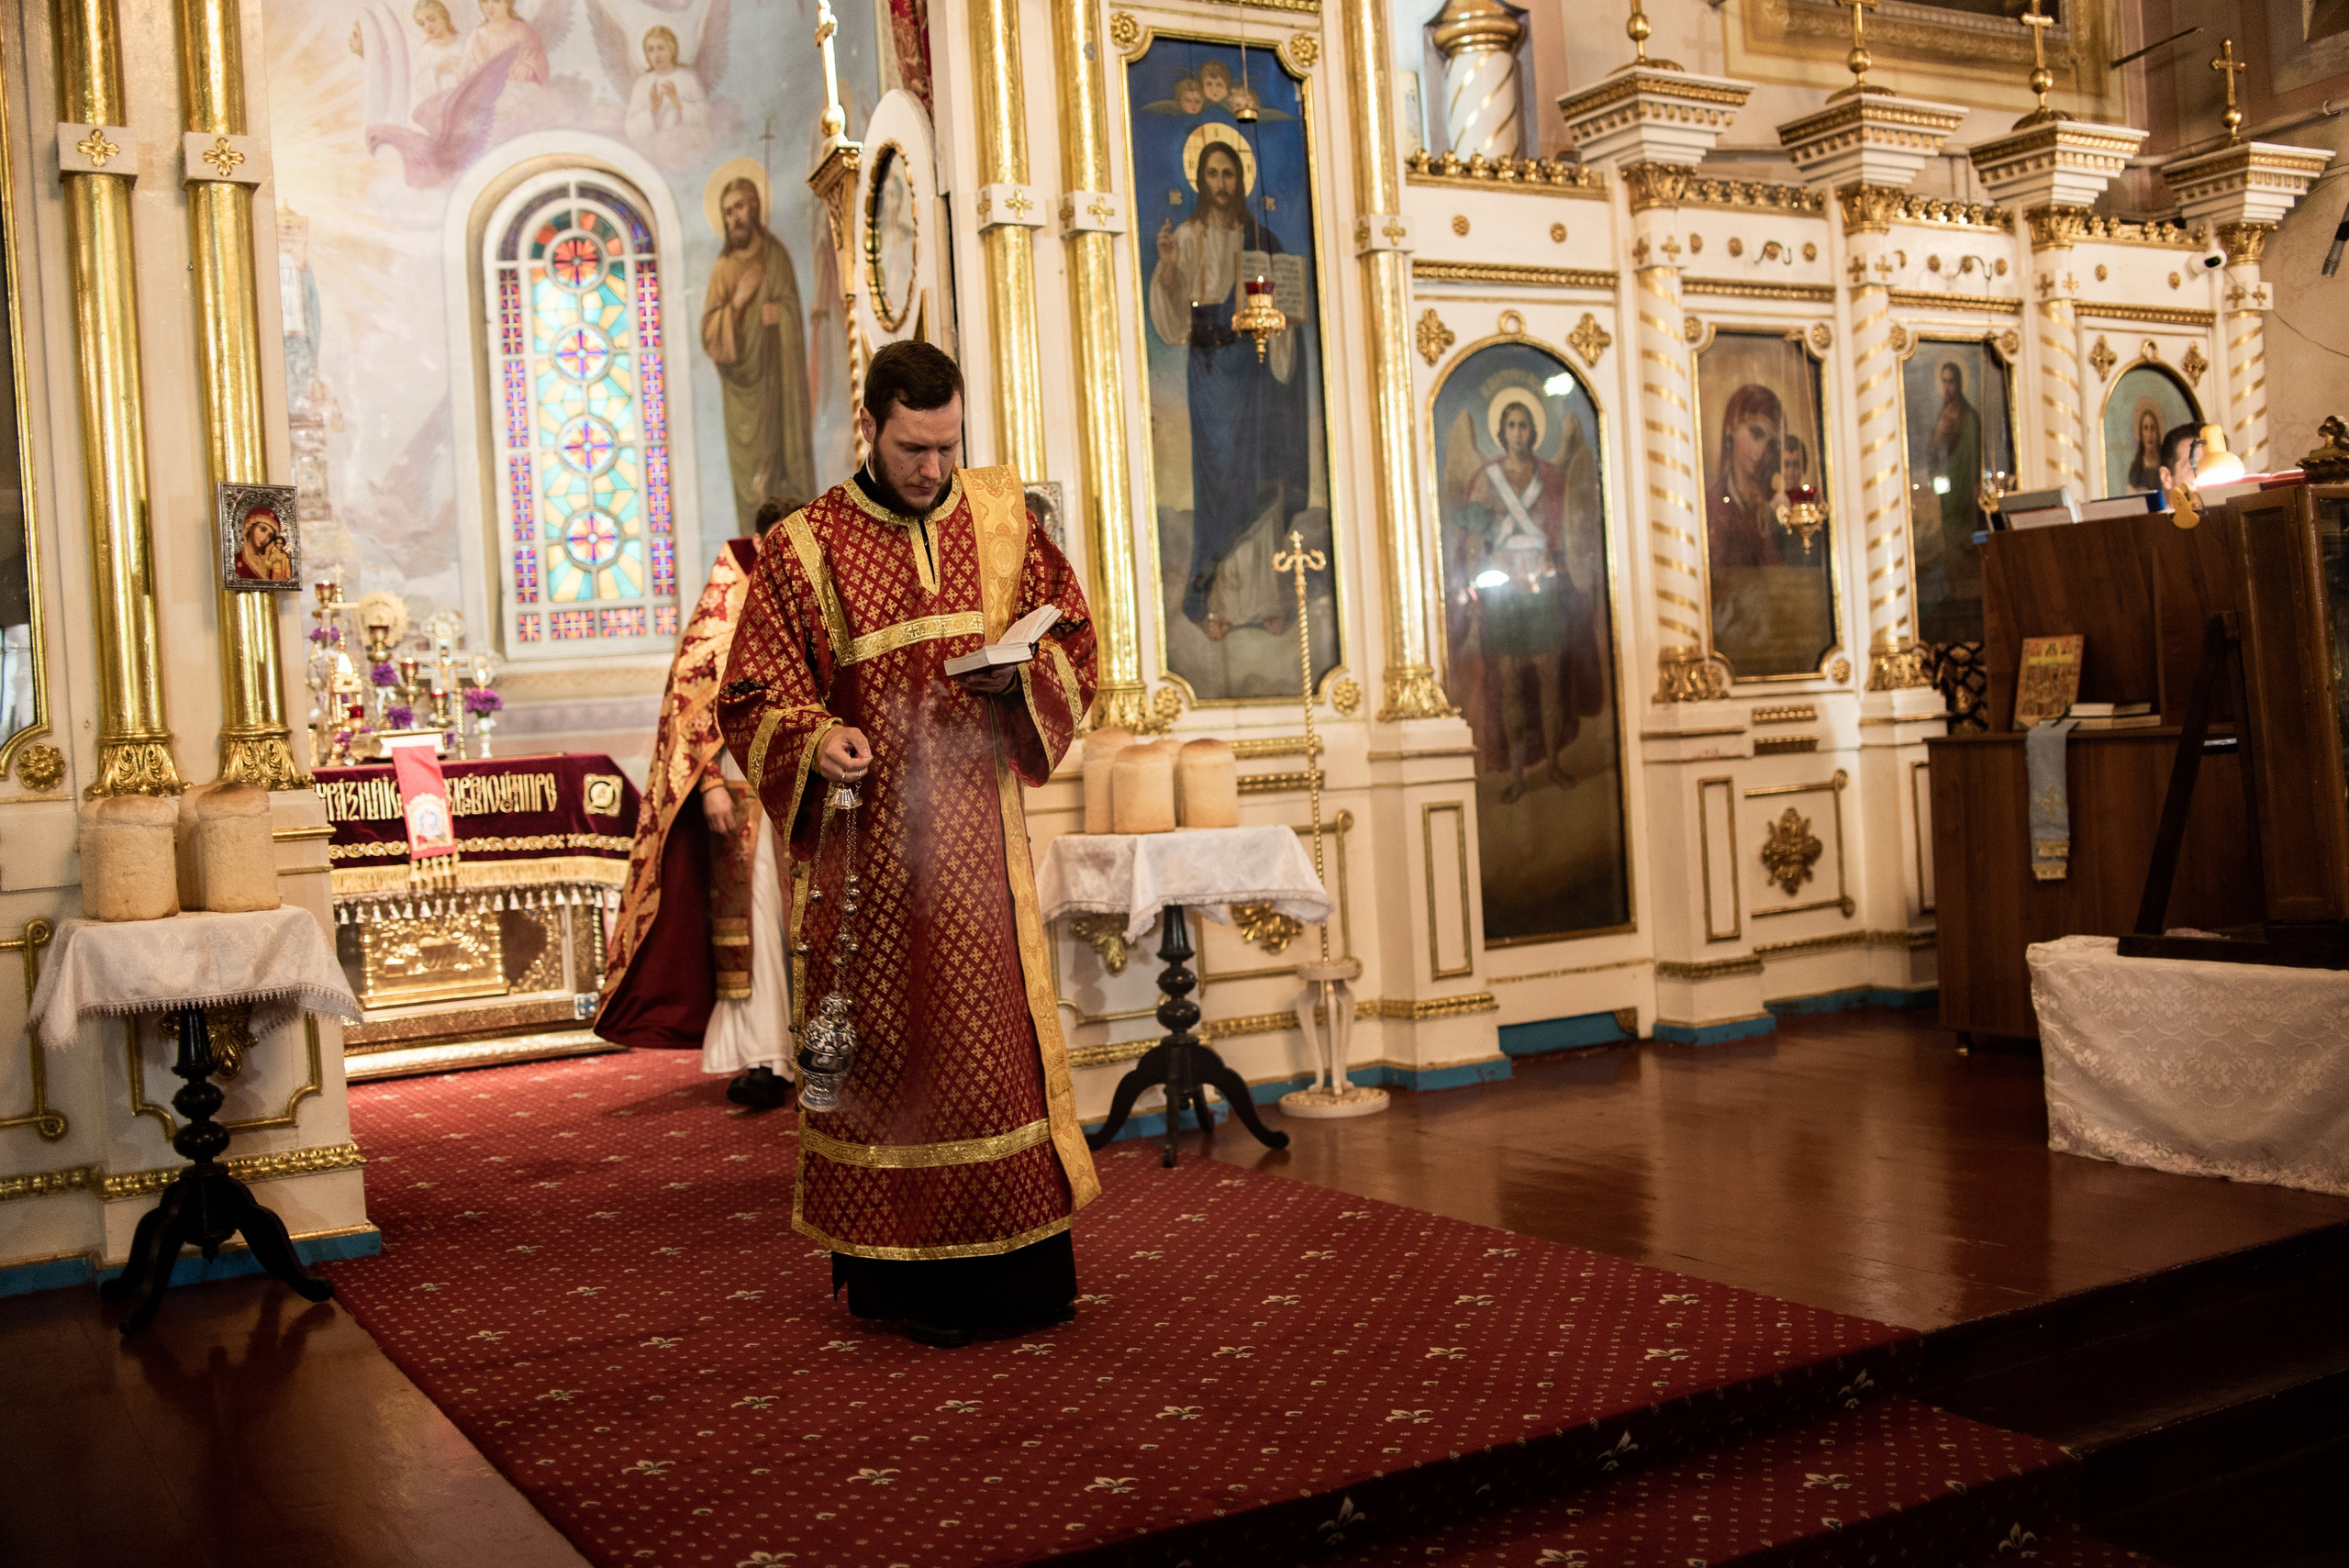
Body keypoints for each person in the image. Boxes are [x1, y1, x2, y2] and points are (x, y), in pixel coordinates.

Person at [717, 341, 1099, 1348]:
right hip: (872, 855)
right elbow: (750, 693)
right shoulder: (804, 548)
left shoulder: (1004, 518)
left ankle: (1020, 1273)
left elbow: (1076, 636)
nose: (933, 468)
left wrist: (1018, 676)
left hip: (982, 849)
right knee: (897, 1059)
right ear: (871, 428)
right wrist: (813, 737)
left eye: (947, 444)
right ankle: (900, 1277)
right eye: (912, 447)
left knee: (994, 1051)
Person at [596, 496, 804, 1108]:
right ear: (763, 543)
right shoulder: (727, 601)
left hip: (800, 783)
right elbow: (691, 699)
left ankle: (806, 1050)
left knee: (805, 920)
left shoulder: (808, 599)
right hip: (742, 791)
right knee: (757, 919)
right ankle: (763, 1054)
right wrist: (710, 782)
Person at [1148, 137, 1307, 639]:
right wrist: (1169, 266)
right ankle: (1214, 599)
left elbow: (1285, 307)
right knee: (1218, 481)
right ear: (1201, 180)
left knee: (1258, 471)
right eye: (1212, 175)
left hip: (1253, 367)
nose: (1221, 184)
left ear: (1241, 181)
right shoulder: (1188, 236)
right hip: (1211, 372)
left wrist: (1281, 322)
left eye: (1229, 175)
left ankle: (1263, 599)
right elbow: (1173, 323)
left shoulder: (1261, 240)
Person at [1453, 392, 1604, 803]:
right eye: (1511, 426)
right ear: (1501, 433)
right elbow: (1472, 539)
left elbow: (1569, 529)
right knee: (1510, 686)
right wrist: (1474, 587)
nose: (1518, 433)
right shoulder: (1486, 478)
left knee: (1551, 680)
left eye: (1524, 425)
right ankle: (1518, 773)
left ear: (1533, 431)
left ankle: (1553, 764)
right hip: (1503, 592)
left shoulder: (1552, 476)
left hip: (1542, 588)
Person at [701, 178, 817, 535]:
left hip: (777, 384)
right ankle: (754, 539)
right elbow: (710, 335)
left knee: (782, 461)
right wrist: (738, 303)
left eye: (740, 207)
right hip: (741, 393)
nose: (734, 217)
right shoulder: (724, 269)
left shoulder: (774, 256)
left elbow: (793, 313)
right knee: (751, 477)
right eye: (727, 211)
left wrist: (778, 315)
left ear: (754, 206)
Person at [1920, 360, 1983, 643]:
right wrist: (1940, 434)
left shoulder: (1969, 416)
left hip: (1964, 486)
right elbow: (1934, 450)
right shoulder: (1943, 414)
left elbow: (1971, 454)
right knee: (1948, 539)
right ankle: (1953, 587)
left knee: (1962, 540)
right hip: (1948, 489)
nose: (1948, 387)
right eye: (1944, 381)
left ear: (1959, 384)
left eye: (1952, 382)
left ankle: (1965, 591)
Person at [1707, 383, 1786, 572]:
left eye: (1771, 444)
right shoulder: (1712, 504)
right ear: (1731, 429)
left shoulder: (1776, 507)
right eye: (1756, 434)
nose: (1761, 451)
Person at [624, 25, 711, 150]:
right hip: (654, 149)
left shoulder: (688, 79)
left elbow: (706, 115)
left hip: (686, 146)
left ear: (672, 49)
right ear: (646, 55)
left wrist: (679, 104)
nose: (656, 55)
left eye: (661, 48)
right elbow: (630, 127)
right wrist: (653, 111)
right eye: (650, 49)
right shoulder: (642, 84)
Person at [458, 0, 547, 85]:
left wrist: (515, 73)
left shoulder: (523, 31)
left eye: (496, 1)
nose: (490, 7)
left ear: (508, 3)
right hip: (488, 93)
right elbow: (463, 73)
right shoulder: (477, 36)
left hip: (519, 91)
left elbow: (539, 67)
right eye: (485, 1)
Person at [235, 506, 294, 582]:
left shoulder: (273, 562)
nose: (265, 538)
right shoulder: (237, 561)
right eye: (262, 529)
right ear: (250, 525)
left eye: (270, 536)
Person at [2125, 401, 2165, 493]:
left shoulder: (2165, 464)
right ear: (2141, 433)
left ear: (2158, 433)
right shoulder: (2136, 468)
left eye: (2153, 428)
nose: (2149, 434)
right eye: (2145, 428)